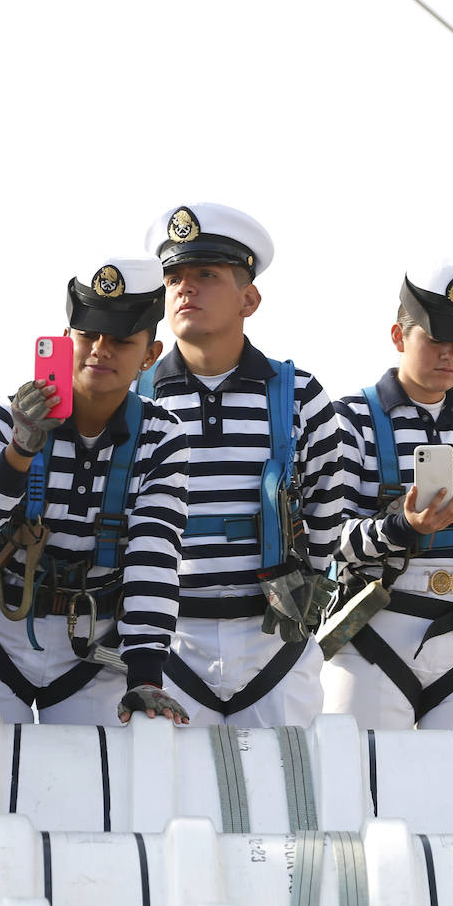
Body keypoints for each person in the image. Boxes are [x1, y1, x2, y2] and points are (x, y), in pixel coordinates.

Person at [0, 256, 190, 725]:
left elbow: (155, 556)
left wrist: (146, 676)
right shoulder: (6, 415)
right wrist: (19, 451)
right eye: (87, 334)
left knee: (88, 795)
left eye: (119, 340)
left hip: (93, 650)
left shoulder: (163, 437)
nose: (99, 350)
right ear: (66, 336)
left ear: (150, 356)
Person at [139, 202, 345, 727]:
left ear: (249, 299)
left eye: (206, 275)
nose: (186, 288)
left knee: (287, 799)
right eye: (175, 277)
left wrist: (296, 600)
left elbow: (326, 515)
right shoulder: (132, 401)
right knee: (165, 803)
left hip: (272, 642)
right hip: (165, 645)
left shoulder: (302, 396)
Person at [321, 256, 453, 729]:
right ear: (399, 336)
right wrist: (403, 528)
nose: (450, 355)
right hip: (373, 637)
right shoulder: (347, 419)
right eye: (435, 339)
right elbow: (326, 537)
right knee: (362, 789)